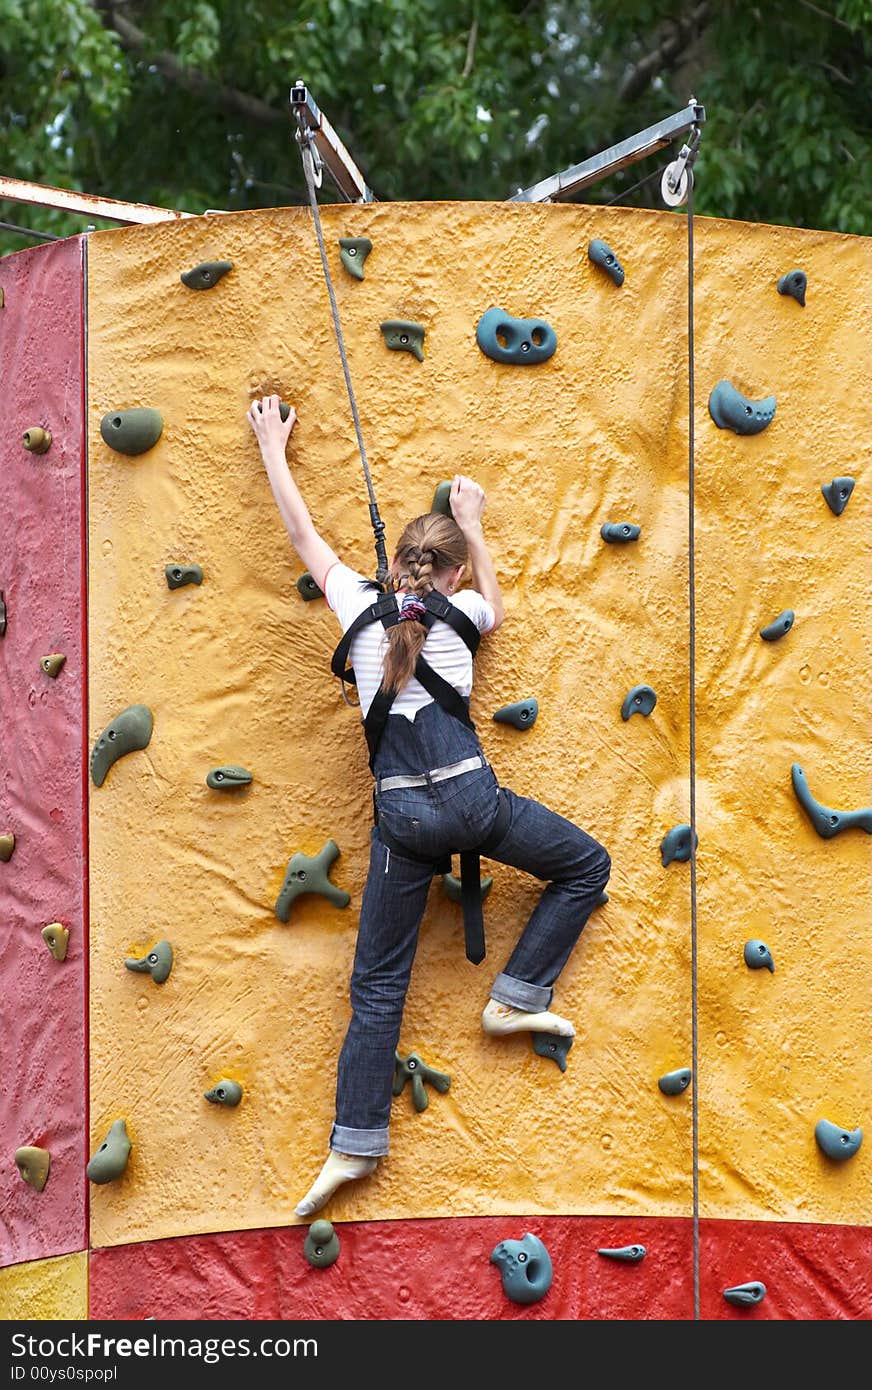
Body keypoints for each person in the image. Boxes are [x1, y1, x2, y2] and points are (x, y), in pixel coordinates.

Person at [248, 394, 612, 1219]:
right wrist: (472, 521)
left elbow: (304, 537)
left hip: (403, 822)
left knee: (379, 984)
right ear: (446, 575)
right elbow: (496, 601)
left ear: (398, 569)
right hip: (476, 803)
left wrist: (273, 445)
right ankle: (517, 996)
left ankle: (353, 1145)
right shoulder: (465, 617)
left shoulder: (356, 606)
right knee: (586, 866)